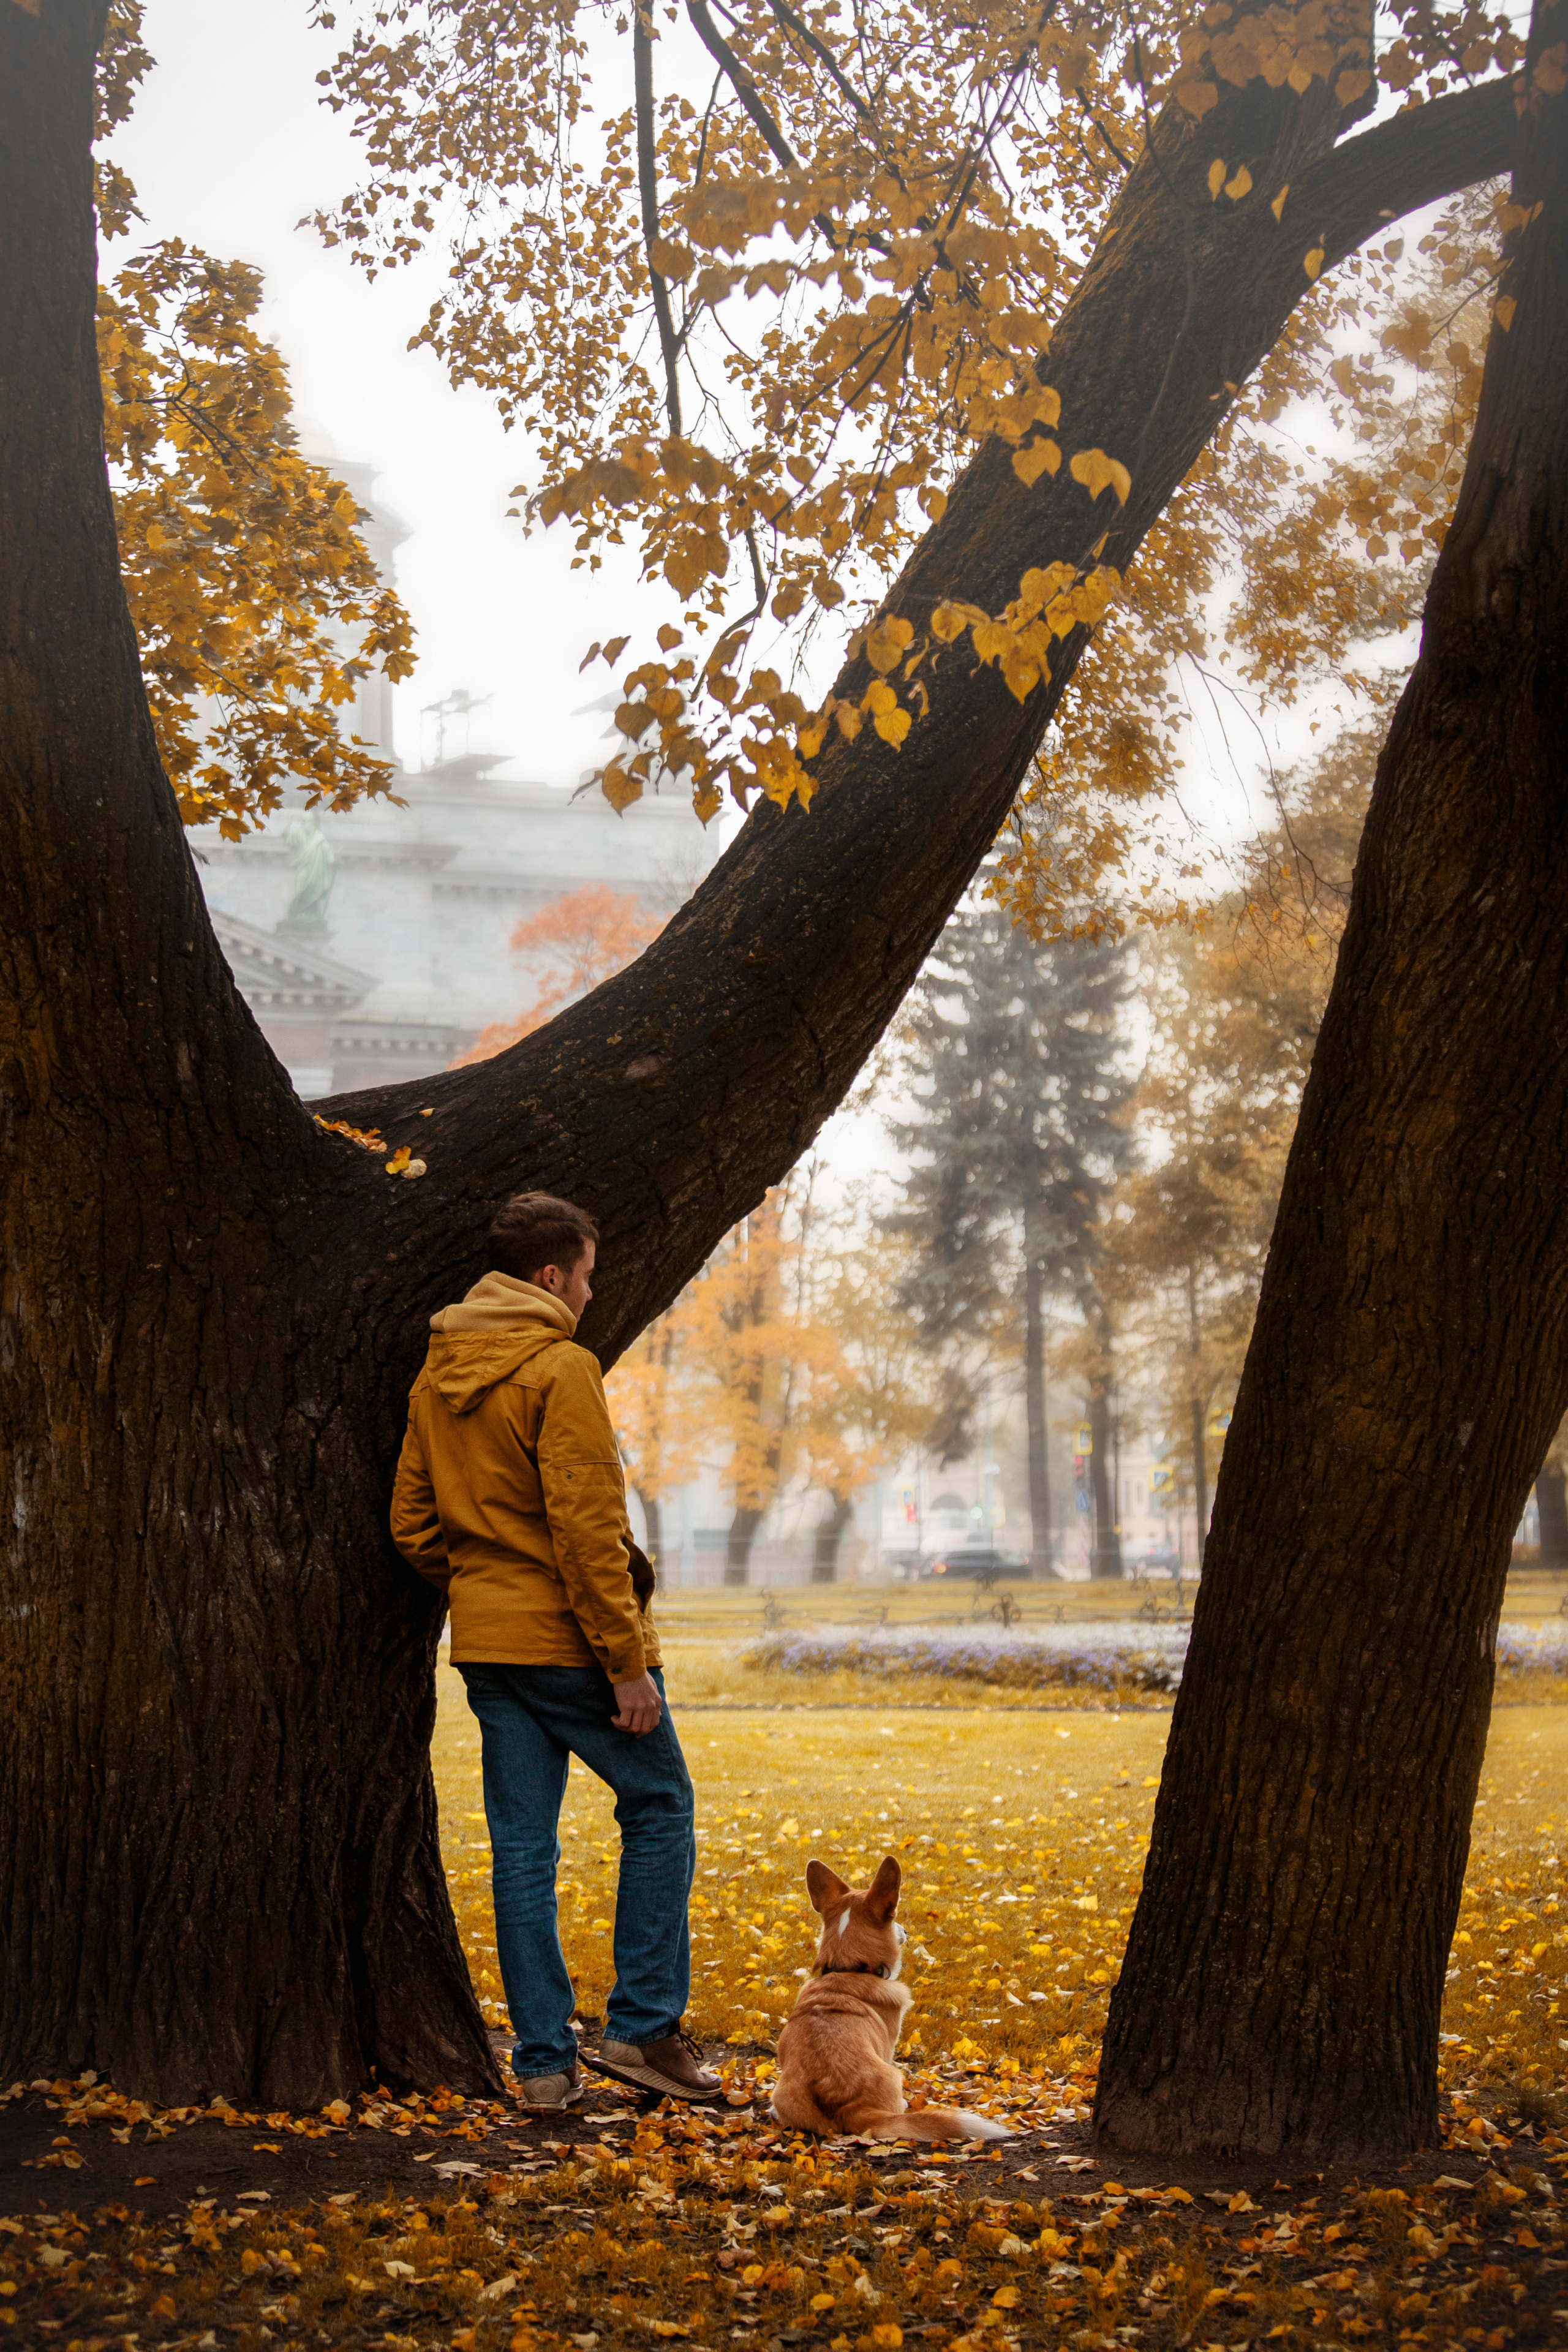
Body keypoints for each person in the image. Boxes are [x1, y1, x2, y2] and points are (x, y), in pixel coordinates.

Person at [391, 1189, 719, 2112]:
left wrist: (485, 1584)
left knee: (522, 1850)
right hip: (575, 1645)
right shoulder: (559, 1368)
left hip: (491, 1648)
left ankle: (542, 2068)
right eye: (584, 1278)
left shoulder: (436, 1373)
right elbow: (586, 1528)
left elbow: (412, 1526)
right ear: (550, 1275)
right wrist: (624, 1663)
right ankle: (644, 2029)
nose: (587, 1295)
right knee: (660, 1802)